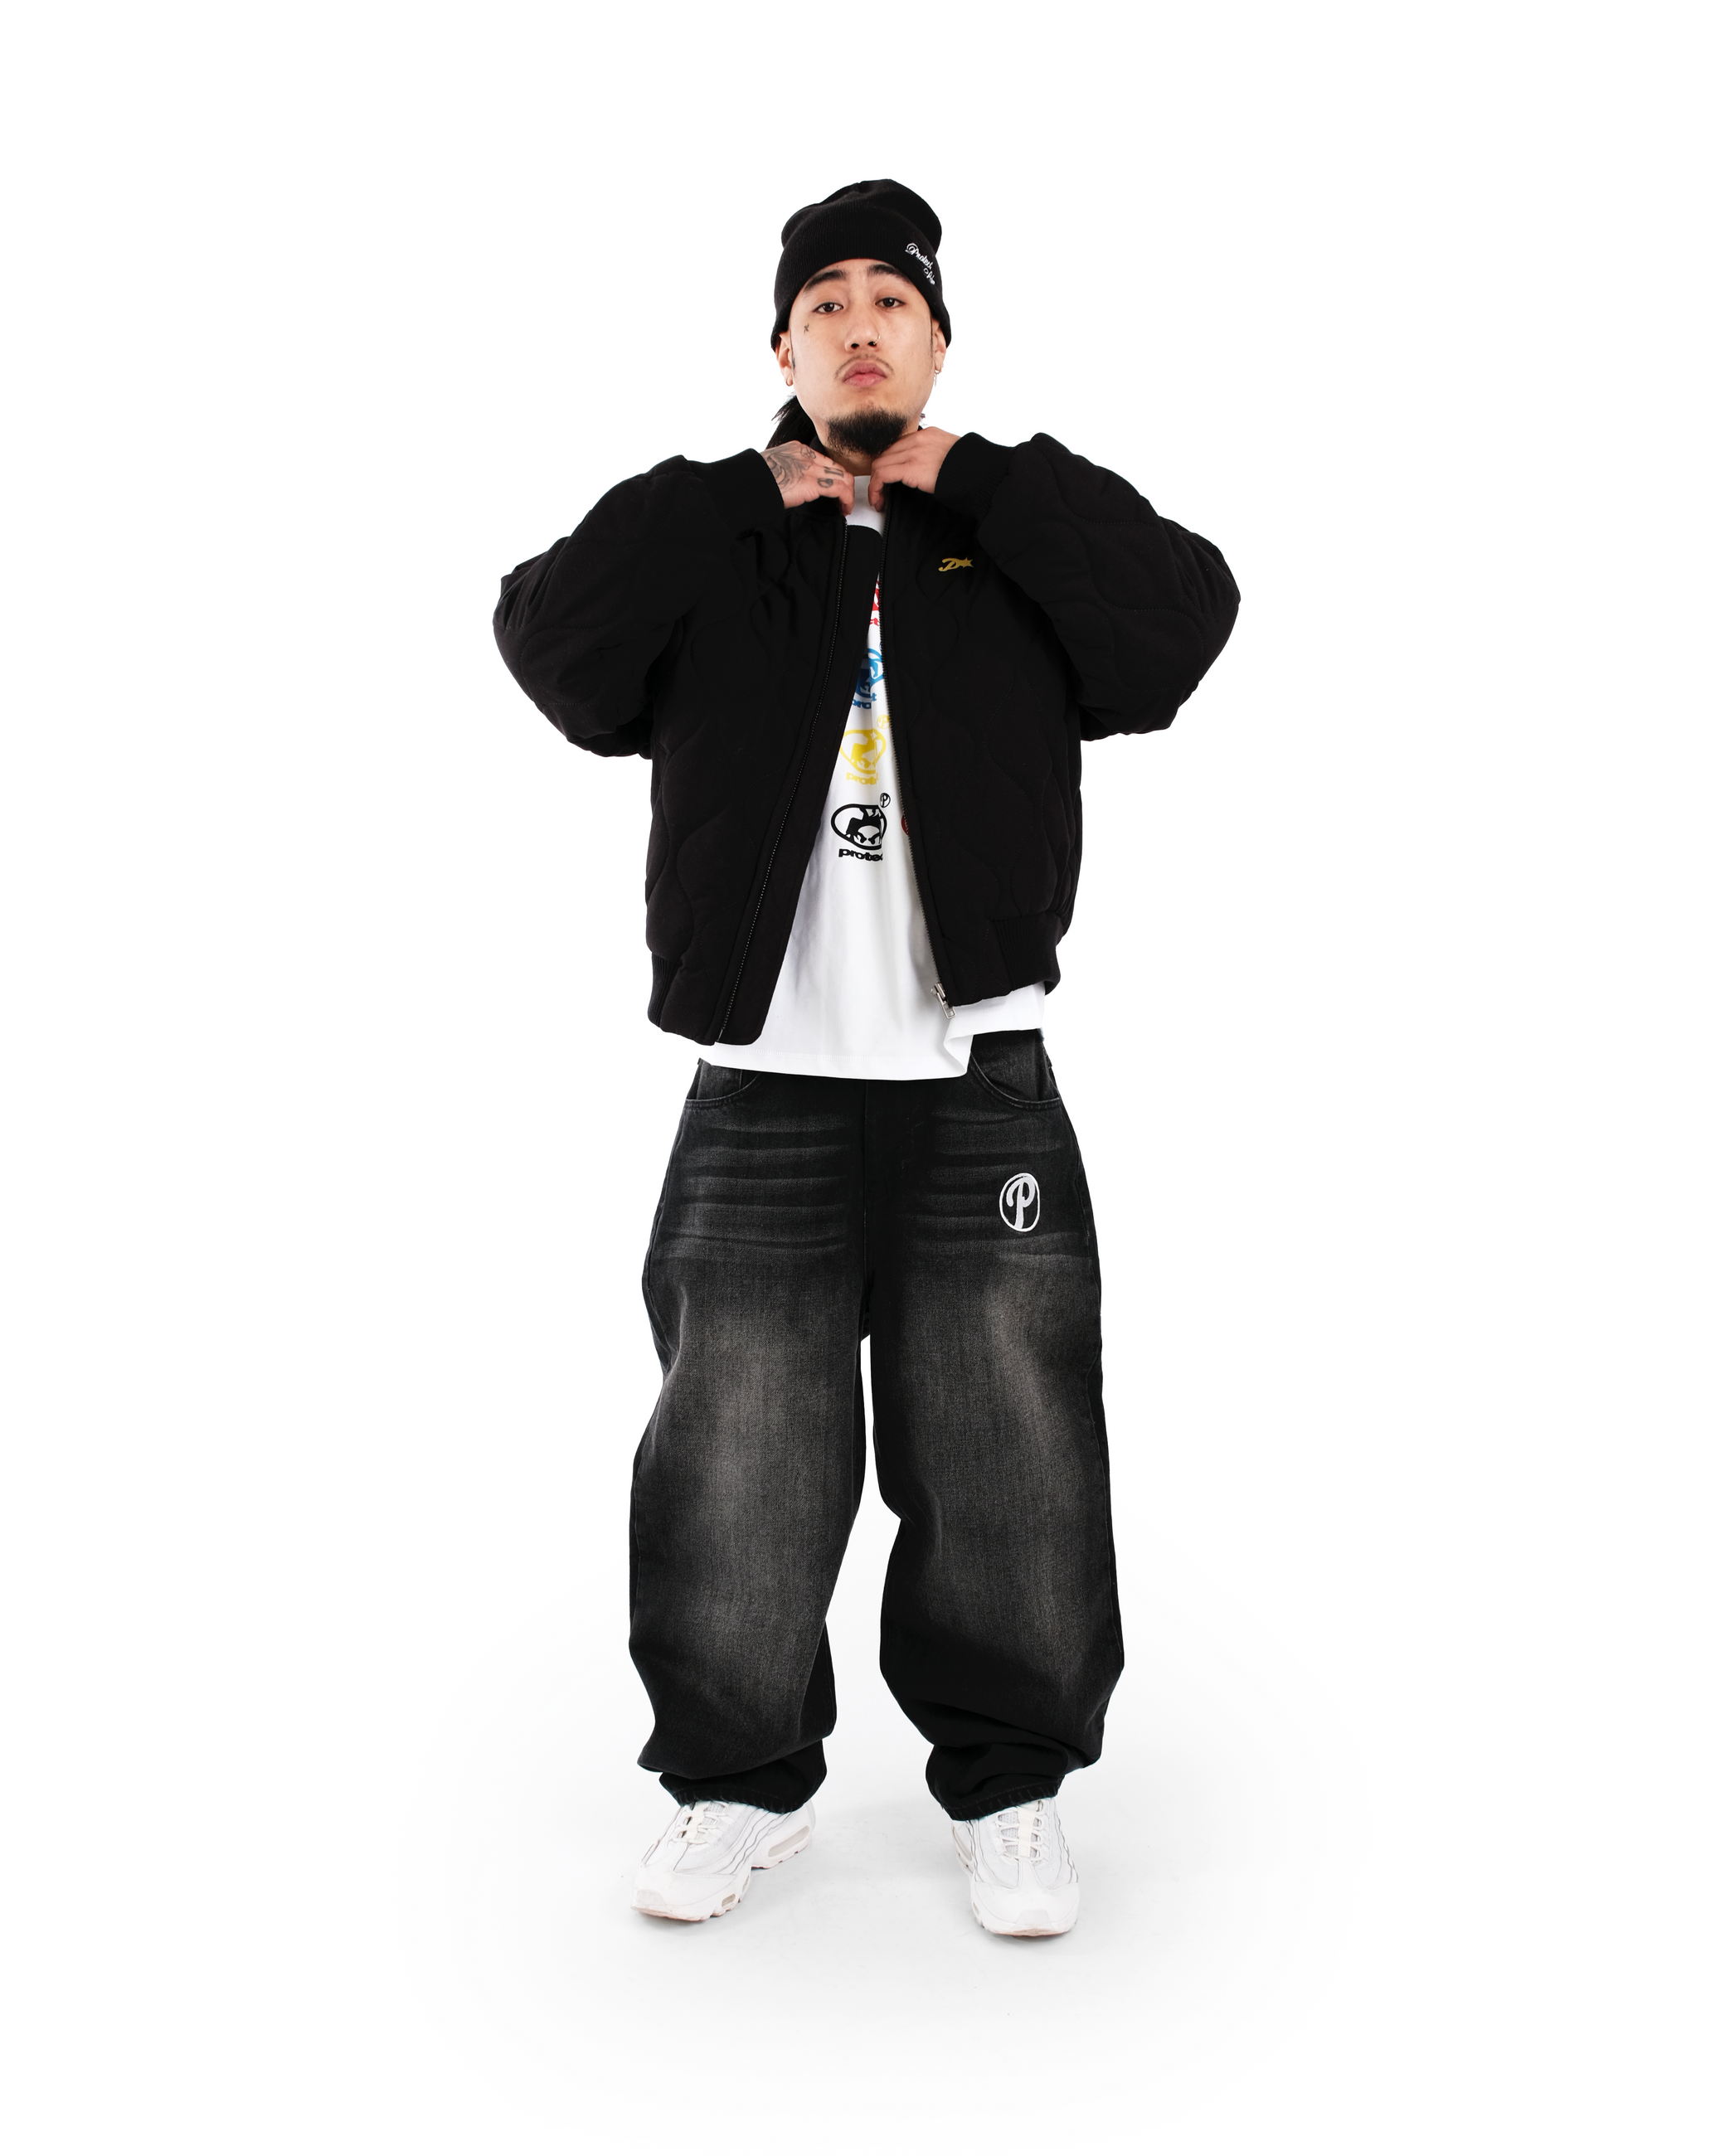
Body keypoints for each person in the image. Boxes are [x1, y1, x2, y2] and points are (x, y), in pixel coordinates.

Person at [493, 179, 1239, 1936]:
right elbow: (552, 645)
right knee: (736, 1450)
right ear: (781, 348)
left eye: (888, 304)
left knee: (1008, 1445)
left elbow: (1178, 627)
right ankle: (738, 1784)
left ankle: (1012, 1789)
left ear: (935, 343)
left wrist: (987, 482)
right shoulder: (717, 537)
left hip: (979, 1066)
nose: (855, 328)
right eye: (821, 305)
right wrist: (734, 496)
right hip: (762, 1071)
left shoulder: (1003, 532)